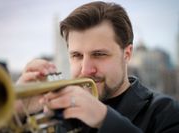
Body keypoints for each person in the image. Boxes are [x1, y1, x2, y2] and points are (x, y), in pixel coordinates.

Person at [17, 1, 179, 132]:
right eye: (77, 56)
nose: (86, 70)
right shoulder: (50, 114)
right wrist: (15, 113)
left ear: (127, 54)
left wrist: (105, 119)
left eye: (99, 54)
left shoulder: (168, 113)